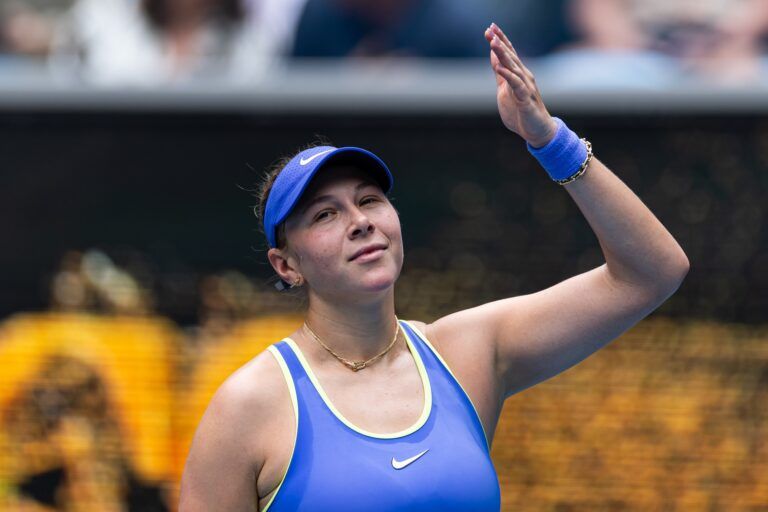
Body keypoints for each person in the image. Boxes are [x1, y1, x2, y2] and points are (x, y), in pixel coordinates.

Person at [179, 23, 689, 511]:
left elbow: (652, 272)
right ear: (287, 265)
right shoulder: (248, 405)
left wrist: (550, 141)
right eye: (325, 215)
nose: (360, 221)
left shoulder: (467, 353)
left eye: (370, 200)